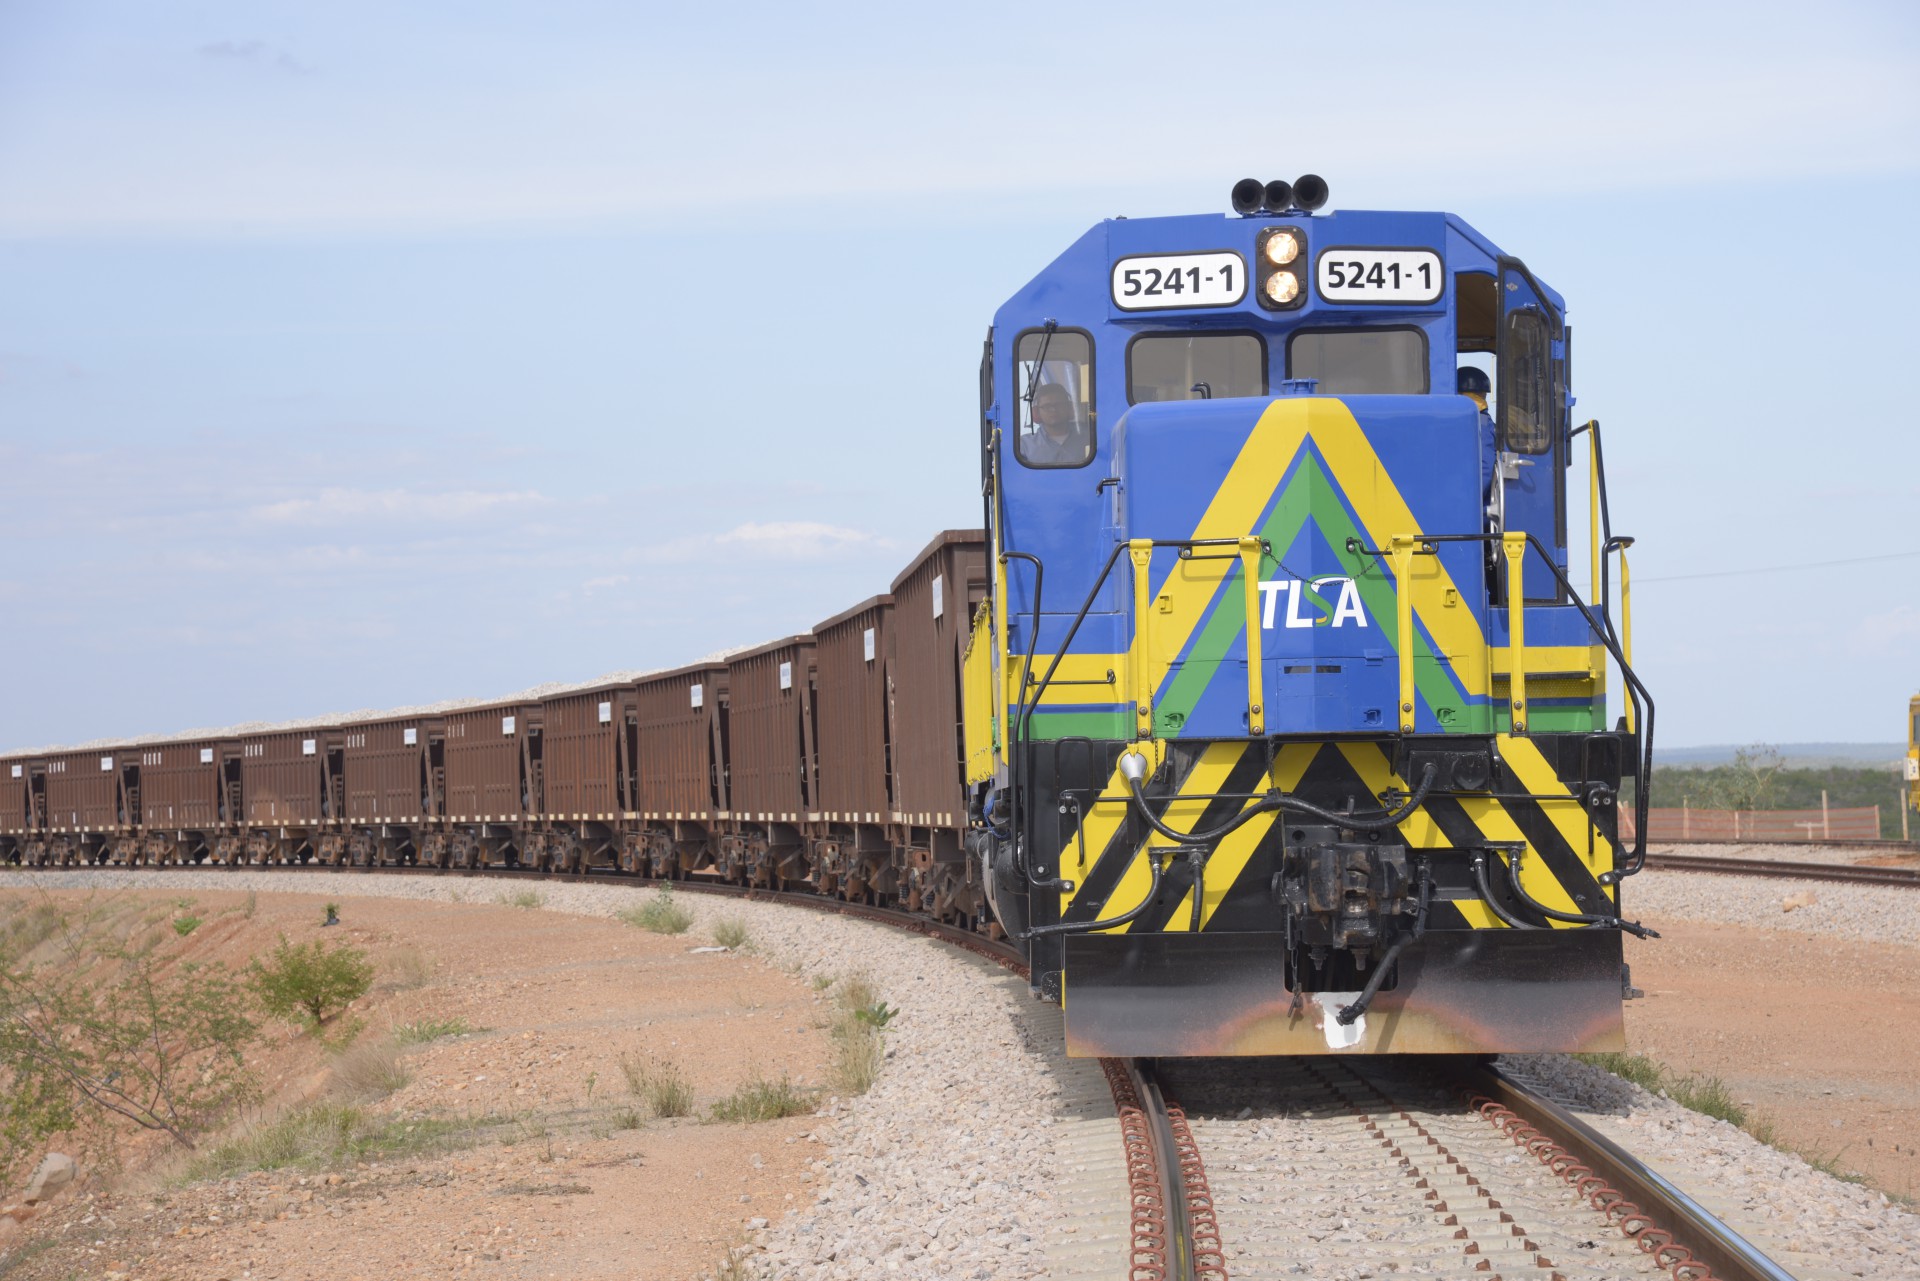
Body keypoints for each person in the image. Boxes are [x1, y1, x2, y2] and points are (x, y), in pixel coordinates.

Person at [1022, 382, 1090, 465]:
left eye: (1059, 405)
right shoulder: (1024, 445)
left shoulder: (1089, 437)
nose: (1053, 410)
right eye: (1046, 406)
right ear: (1037, 412)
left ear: (1069, 407)